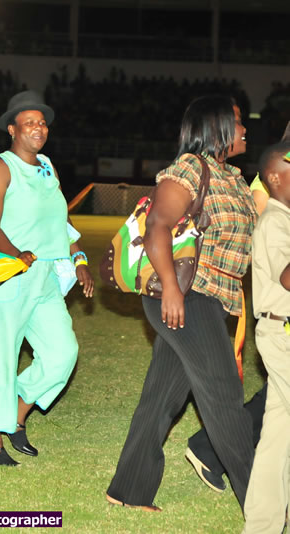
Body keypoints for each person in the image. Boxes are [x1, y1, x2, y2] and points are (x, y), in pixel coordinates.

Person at [106, 95, 257, 512]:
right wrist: (172, 288)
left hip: (212, 299)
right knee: (225, 398)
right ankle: (262, 504)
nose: (246, 128)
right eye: (239, 121)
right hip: (186, 296)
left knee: (162, 396)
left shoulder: (235, 179)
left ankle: (128, 489)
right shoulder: (191, 167)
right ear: (217, 127)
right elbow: (157, 224)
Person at [0, 90, 94, 466]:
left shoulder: (47, 166)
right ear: (12, 129)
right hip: (7, 276)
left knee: (62, 352)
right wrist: (14, 254)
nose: (38, 128)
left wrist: (79, 256)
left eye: (42, 123)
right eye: (29, 123)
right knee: (0, 358)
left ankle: (16, 417)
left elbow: (61, 219)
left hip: (45, 276)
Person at [184, 121, 290, 494]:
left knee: (275, 404)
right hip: (256, 303)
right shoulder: (273, 179)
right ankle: (209, 447)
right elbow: (259, 241)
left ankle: (212, 451)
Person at [242, 141, 290, 534]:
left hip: (282, 332)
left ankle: (262, 524)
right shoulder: (274, 220)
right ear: (274, 178)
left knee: (277, 434)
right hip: (282, 332)